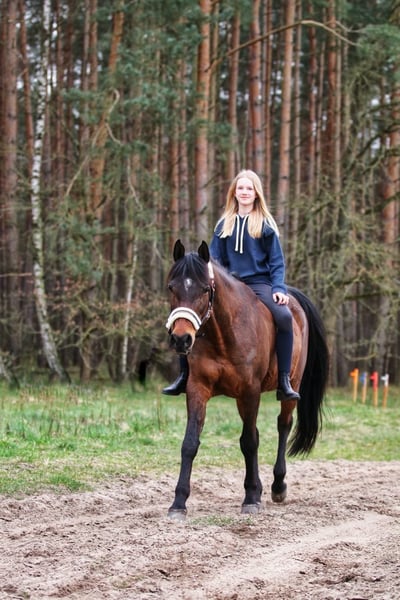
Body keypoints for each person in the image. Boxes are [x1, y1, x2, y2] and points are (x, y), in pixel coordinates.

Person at [163, 169, 300, 401]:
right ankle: (184, 374)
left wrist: (278, 288)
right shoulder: (223, 225)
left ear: (256, 193)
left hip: (259, 284)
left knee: (285, 317)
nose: (244, 192)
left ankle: (284, 379)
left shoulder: (265, 225)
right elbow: (213, 260)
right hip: (230, 286)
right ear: (234, 193)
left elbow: (277, 261)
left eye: (249, 188)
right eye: (240, 188)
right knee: (187, 312)